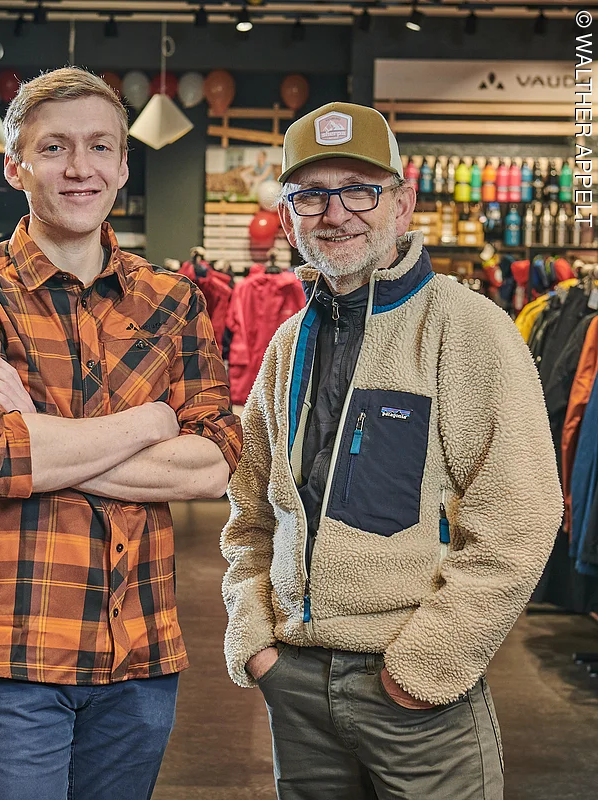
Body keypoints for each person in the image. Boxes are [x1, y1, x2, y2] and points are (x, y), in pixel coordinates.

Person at [220, 101, 562, 799]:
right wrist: (256, 639)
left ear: (402, 204)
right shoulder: (287, 346)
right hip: (295, 684)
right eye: (311, 194)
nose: (335, 213)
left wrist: (424, 667)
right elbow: (250, 509)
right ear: (288, 215)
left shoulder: (470, 330)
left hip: (418, 695)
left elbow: (521, 515)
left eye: (359, 190)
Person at [0, 66, 242, 800]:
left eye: (100, 147)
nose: (79, 167)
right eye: (56, 147)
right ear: (15, 164)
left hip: (140, 661)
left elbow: (215, 466)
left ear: (124, 167)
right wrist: (149, 422)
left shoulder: (172, 301)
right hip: (12, 660)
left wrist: (42, 434)